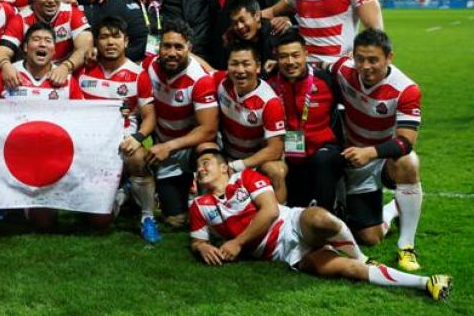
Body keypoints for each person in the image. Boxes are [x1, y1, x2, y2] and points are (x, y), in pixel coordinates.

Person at [188, 145, 451, 301]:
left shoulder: (245, 177)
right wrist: (202, 248)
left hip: (290, 224)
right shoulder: (199, 206)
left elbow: (269, 211)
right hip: (285, 253)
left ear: (225, 168)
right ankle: (427, 282)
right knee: (348, 270)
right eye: (198, 167)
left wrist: (236, 242)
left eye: (206, 162)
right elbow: (198, 240)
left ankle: (362, 256)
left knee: (319, 217)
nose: (201, 169)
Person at [0, 22, 84, 243]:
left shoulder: (66, 80)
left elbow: (83, 118)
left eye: (47, 41)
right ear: (25, 47)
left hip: (47, 159)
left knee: (43, 223)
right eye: (36, 40)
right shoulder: (8, 75)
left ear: (54, 49)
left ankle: (23, 206)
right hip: (9, 153)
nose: (42, 44)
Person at [331, 29, 424, 272]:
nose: (365, 66)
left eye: (373, 60)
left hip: (382, 158)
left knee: (409, 162)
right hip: (353, 159)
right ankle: (393, 209)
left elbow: (405, 142)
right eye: (360, 59)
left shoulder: (406, 89)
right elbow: (315, 67)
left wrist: (370, 152)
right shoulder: (343, 70)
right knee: (370, 238)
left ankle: (406, 246)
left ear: (389, 57)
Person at [77, 16, 160, 243]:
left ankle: (147, 217)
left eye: (116, 37)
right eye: (104, 37)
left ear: (126, 41)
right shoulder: (84, 71)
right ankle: (122, 193)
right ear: (96, 43)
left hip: (123, 143)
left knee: (138, 158)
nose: (110, 42)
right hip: (91, 147)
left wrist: (138, 137)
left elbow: (150, 116)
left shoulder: (137, 75)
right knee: (99, 222)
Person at [144, 20, 219, 228]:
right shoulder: (149, 66)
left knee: (208, 149)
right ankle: (184, 196)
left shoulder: (200, 80)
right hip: (164, 148)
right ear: (159, 47)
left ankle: (209, 202)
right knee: (175, 221)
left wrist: (169, 146)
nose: (172, 52)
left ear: (189, 48)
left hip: (189, 146)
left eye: (179, 47)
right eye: (167, 46)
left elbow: (208, 129)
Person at [270, 29, 343, 210]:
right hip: (290, 156)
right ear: (276, 58)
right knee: (297, 210)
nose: (290, 62)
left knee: (322, 160)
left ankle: (326, 216)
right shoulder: (269, 83)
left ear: (306, 54)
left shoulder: (326, 80)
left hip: (323, 152)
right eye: (283, 56)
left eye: (295, 55)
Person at [213, 40, 288, 203]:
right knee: (205, 150)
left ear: (258, 67)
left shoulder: (270, 101)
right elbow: (205, 69)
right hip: (226, 155)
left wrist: (239, 165)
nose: (240, 70)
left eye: (246, 64)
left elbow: (275, 149)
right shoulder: (222, 82)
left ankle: (282, 219)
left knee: (276, 171)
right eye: (234, 64)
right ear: (227, 66)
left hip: (256, 160)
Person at [0, 0, 92, 89]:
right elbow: (0, 53)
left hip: (66, 77)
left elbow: (85, 48)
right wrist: (5, 66)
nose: (51, 0)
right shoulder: (21, 19)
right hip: (32, 80)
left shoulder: (72, 13)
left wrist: (66, 67)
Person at [225, 0, 277, 74]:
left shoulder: (276, 31)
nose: (240, 26)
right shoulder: (233, 41)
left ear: (257, 16)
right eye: (235, 23)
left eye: (242, 20)